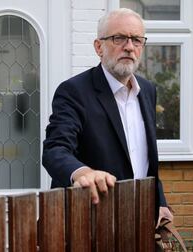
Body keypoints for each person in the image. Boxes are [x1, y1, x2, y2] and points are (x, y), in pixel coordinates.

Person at [42, 8, 173, 224]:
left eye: (136, 40)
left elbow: (146, 160)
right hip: (87, 222)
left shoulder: (147, 91)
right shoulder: (74, 91)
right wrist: (83, 172)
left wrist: (160, 203)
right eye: (118, 38)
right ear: (98, 47)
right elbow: (55, 149)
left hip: (136, 220)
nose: (129, 47)